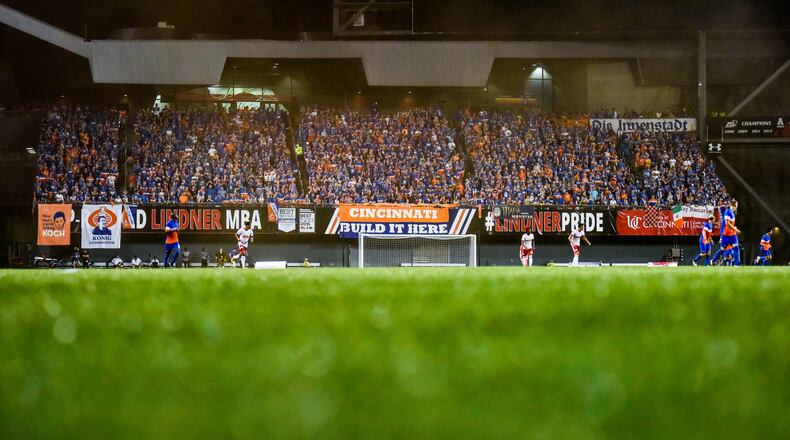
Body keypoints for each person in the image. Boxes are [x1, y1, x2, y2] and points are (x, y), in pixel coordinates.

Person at [720, 200, 740, 266]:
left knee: (735, 250)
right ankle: (713, 261)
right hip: (726, 235)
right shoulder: (727, 212)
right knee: (723, 252)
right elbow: (727, 224)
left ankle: (736, 265)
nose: (737, 207)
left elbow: (729, 224)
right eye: (736, 205)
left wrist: (734, 228)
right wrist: (734, 229)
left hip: (731, 234)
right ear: (734, 205)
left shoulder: (732, 213)